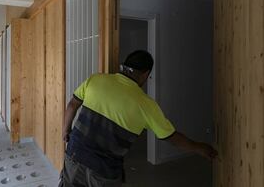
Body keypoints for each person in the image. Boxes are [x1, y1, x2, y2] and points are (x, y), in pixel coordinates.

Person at [59, 50, 217, 187]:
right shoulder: (146, 105)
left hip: (74, 155)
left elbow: (72, 105)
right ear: (146, 74)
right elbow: (171, 137)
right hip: (103, 170)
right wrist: (199, 147)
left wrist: (66, 130)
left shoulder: (96, 80)